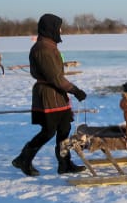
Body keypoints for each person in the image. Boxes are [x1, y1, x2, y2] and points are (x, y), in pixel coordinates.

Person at [12, 13, 86, 176]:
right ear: (50, 28)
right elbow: (55, 77)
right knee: (49, 131)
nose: (61, 30)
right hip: (48, 95)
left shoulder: (49, 46)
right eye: (58, 27)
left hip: (58, 95)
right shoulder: (42, 49)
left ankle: (64, 163)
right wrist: (75, 90)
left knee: (64, 129)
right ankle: (24, 158)